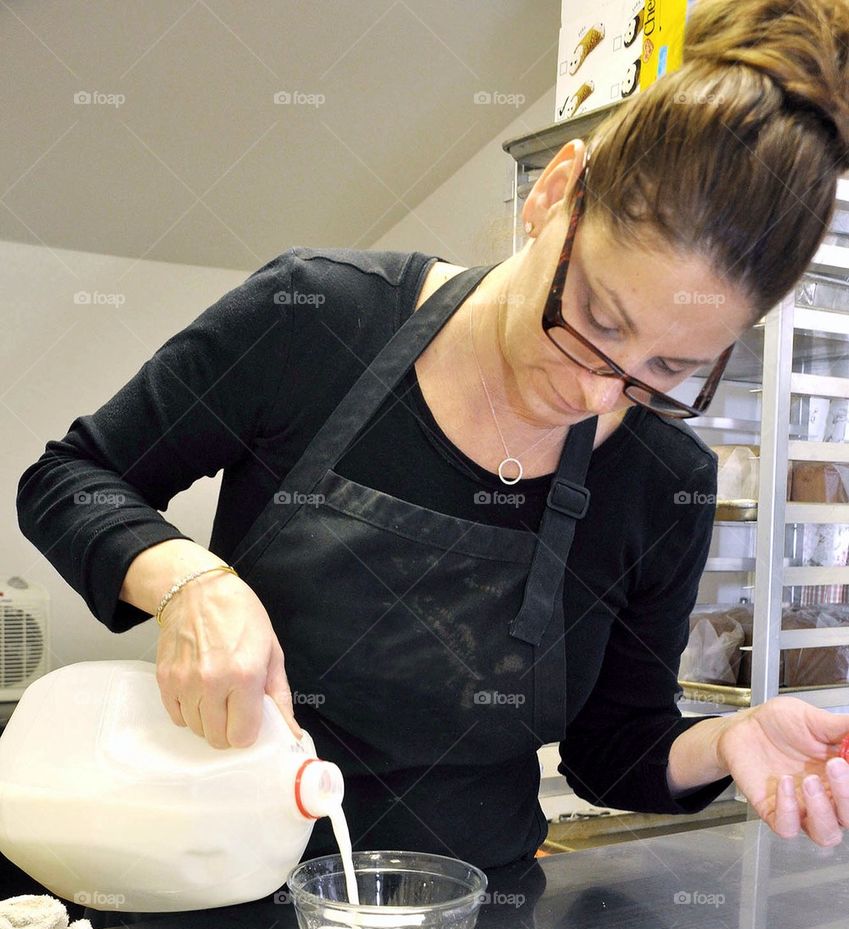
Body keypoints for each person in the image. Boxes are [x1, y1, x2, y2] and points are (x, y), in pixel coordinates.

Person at [16, 0, 849, 865]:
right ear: (556, 191)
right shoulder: (318, 318)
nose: (593, 388)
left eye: (669, 371)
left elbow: (615, 750)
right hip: (215, 888)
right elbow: (70, 478)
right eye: (596, 317)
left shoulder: (658, 478)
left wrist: (726, 741)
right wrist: (187, 583)